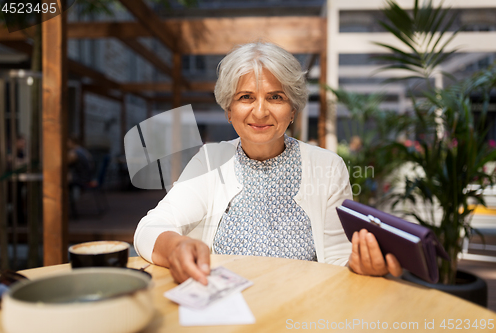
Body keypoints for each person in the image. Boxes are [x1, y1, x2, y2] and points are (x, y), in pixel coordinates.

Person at [134, 42, 402, 285]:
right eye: (245, 97)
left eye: (276, 97)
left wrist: (360, 266)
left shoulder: (328, 167)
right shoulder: (209, 161)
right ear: (229, 111)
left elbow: (338, 262)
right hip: (227, 312)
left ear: (293, 110)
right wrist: (175, 247)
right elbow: (150, 228)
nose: (260, 111)